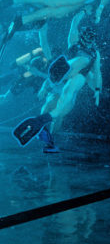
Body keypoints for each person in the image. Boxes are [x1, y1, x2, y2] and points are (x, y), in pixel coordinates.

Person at [12, 9, 102, 153]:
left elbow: (98, 74)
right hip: (59, 83)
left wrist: (97, 90)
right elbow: (73, 25)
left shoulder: (93, 54)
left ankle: (50, 138)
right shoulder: (74, 44)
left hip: (71, 84)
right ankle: (45, 133)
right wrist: (82, 12)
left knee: (58, 114)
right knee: (47, 108)